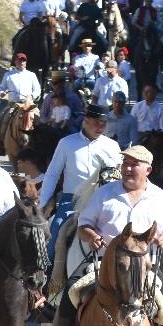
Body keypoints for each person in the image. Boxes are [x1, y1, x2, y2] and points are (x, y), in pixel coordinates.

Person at [44, 144, 163, 326]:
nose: (127, 169)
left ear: (148, 170)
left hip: (142, 267)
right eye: (125, 164)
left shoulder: (161, 198)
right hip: (103, 263)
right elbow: (84, 225)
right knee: (71, 293)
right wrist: (92, 236)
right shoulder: (104, 193)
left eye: (134, 165)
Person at [38, 102, 121, 262]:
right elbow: (52, 174)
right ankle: (47, 269)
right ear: (86, 120)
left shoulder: (112, 146)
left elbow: (119, 176)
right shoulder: (66, 143)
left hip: (103, 200)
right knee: (56, 229)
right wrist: (43, 204)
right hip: (72, 201)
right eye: (97, 123)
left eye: (103, 124)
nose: (100, 127)